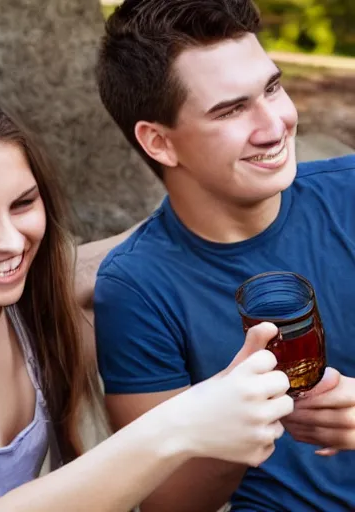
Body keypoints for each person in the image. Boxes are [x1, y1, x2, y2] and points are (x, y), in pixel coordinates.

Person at [0, 85, 293, 511]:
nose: (11, 241)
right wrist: (182, 424)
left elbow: (154, 242)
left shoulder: (42, 304)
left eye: (23, 204)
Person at [92, 1, 355, 511]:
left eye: (272, 88)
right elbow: (169, 504)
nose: (274, 125)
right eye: (231, 110)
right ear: (160, 143)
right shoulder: (136, 287)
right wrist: (234, 418)